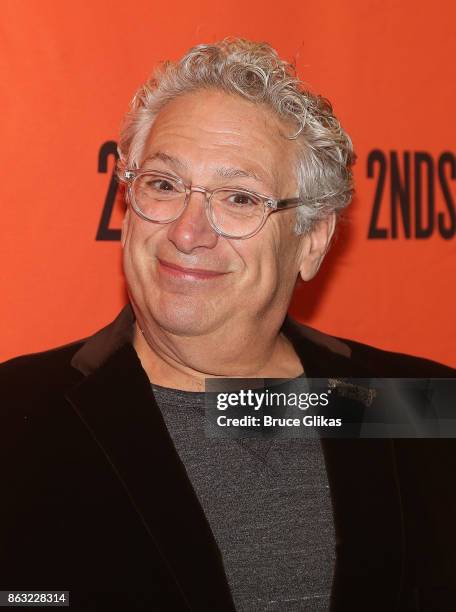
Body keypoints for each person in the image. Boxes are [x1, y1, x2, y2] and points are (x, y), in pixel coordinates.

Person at [1, 39, 455, 612]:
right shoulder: (15, 417)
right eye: (163, 185)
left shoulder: (421, 410)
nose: (188, 232)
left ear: (311, 240)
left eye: (240, 198)